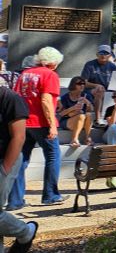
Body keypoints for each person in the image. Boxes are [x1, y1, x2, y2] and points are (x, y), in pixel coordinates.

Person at [10, 46, 65, 208]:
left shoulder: (24, 74)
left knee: (20, 160)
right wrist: (52, 124)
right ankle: (51, 195)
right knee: (53, 156)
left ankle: (15, 200)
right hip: (40, 122)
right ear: (53, 63)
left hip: (21, 122)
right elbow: (46, 100)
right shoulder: (50, 75)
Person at [0, 86, 37, 251]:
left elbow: (19, 136)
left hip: (5, 159)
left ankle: (25, 232)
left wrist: (5, 169)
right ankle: (25, 233)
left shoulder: (10, 98)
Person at [80, 44, 116, 121]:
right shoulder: (89, 65)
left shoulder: (113, 67)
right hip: (91, 90)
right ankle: (98, 118)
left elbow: (115, 84)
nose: (103, 56)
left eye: (106, 53)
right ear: (97, 54)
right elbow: (84, 82)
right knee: (99, 90)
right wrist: (97, 85)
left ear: (110, 55)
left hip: (108, 91)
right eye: (101, 53)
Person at [58, 76, 95, 147]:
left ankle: (87, 138)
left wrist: (87, 103)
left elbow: (91, 109)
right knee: (81, 116)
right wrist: (73, 108)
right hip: (67, 120)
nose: (82, 85)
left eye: (83, 83)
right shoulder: (66, 97)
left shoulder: (86, 95)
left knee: (88, 115)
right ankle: (74, 139)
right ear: (73, 85)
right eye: (79, 83)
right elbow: (61, 113)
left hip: (82, 120)